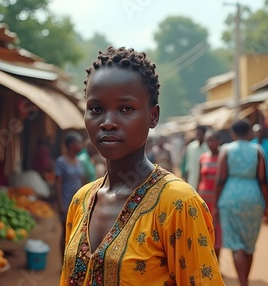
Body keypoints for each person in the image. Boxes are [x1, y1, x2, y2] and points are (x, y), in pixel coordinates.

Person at [60, 47, 224, 285]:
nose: (107, 123)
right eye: (96, 109)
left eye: (126, 109)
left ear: (153, 116)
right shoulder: (81, 201)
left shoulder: (177, 204)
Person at [214, 119, 268, 286]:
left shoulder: (226, 149)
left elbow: (220, 179)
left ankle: (243, 283)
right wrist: (267, 206)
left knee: (236, 245)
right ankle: (244, 282)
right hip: (253, 197)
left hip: (230, 198)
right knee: (249, 245)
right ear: (249, 133)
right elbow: (263, 180)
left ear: (232, 133)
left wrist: (216, 204)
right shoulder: (258, 150)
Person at [55, 131, 87, 262]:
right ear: (70, 144)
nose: (80, 145)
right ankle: (63, 263)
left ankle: (72, 260)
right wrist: (60, 204)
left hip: (79, 203)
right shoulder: (61, 161)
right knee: (65, 233)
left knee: (77, 233)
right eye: (78, 142)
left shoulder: (79, 161)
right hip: (66, 202)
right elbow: (58, 184)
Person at [197, 129, 222, 259]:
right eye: (208, 141)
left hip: (217, 200)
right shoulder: (203, 158)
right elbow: (199, 179)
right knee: (204, 229)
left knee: (217, 231)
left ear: (219, 141)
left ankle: (217, 263)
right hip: (203, 199)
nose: (210, 143)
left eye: (213, 140)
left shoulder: (223, 158)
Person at [252, 123, 268, 209]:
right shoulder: (251, 145)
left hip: (267, 172)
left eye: (260, 132)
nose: (258, 134)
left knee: (267, 190)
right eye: (256, 132)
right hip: (254, 173)